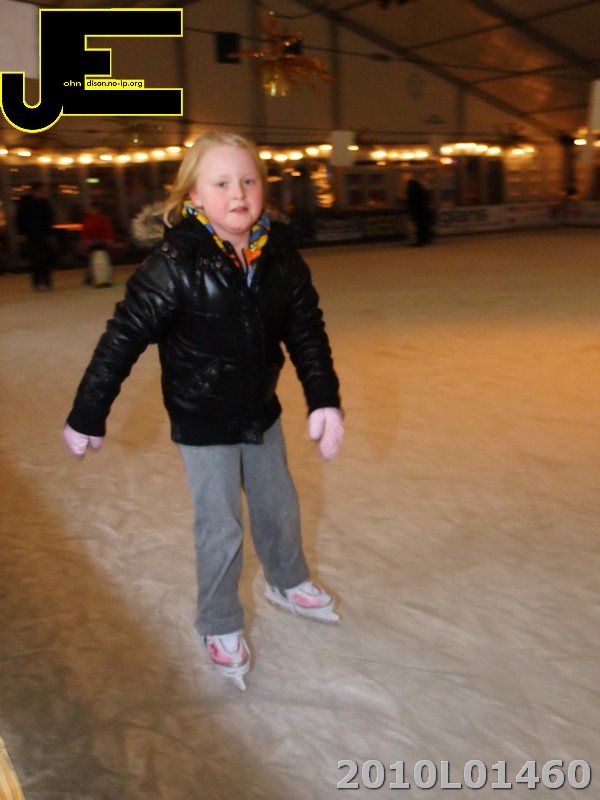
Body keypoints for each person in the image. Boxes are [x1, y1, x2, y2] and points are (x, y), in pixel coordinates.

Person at [62, 131, 344, 690]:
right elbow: (123, 335)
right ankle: (219, 621)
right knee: (220, 525)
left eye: (248, 180)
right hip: (202, 417)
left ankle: (286, 580)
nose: (238, 193)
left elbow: (306, 328)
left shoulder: (278, 253)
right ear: (193, 194)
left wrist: (324, 397)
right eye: (221, 183)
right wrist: (88, 410)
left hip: (260, 409)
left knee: (279, 505)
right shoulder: (175, 262)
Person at [16, 181, 55, 290]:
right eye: (41, 191)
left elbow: (49, 219)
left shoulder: (44, 203)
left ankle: (46, 280)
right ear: (35, 191)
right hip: (31, 234)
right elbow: (20, 218)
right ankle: (37, 281)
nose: (43, 193)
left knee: (45, 257)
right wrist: (21, 233)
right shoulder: (25, 202)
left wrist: (50, 234)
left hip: (43, 234)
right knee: (35, 258)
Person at [80, 202, 115, 287]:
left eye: (94, 209)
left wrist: (108, 240)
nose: (93, 211)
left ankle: (101, 276)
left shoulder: (102, 220)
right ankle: (93, 276)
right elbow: (85, 232)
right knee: (94, 260)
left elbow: (107, 231)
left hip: (101, 242)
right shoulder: (88, 220)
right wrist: (86, 242)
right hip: (94, 243)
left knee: (100, 260)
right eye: (92, 209)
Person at [404, 171, 432, 246]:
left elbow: (411, 203)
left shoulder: (412, 192)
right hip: (423, 211)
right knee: (423, 226)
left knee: (418, 226)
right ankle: (425, 239)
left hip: (417, 212)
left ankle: (419, 240)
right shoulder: (420, 191)